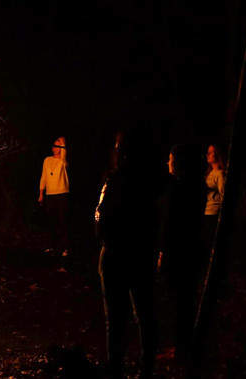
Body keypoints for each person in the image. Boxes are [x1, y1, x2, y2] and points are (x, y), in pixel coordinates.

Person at [95, 128, 164, 379]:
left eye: (118, 145)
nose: (115, 149)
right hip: (142, 252)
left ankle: (116, 366)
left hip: (117, 252)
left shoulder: (118, 179)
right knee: (144, 312)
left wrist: (101, 233)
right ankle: (146, 366)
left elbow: (103, 213)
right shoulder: (156, 181)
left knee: (117, 316)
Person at [160, 144, 207, 365]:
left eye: (170, 159)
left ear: (178, 162)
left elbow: (169, 223)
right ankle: (184, 346)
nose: (167, 162)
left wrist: (162, 250)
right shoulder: (197, 186)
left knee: (181, 300)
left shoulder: (177, 188)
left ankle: (183, 350)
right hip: (193, 248)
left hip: (178, 250)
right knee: (186, 299)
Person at [38, 136, 70, 255]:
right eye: (54, 145)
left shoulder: (63, 161)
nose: (55, 148)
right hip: (50, 194)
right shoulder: (47, 160)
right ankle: (53, 246)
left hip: (62, 194)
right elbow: (43, 177)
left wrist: (63, 143)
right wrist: (41, 193)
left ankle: (65, 247)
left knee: (63, 220)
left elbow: (64, 155)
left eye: (58, 146)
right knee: (52, 221)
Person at [203, 144, 225, 265]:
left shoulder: (220, 174)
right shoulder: (209, 173)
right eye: (208, 152)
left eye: (211, 152)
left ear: (217, 154)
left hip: (214, 213)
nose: (208, 154)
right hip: (206, 211)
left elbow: (223, 194)